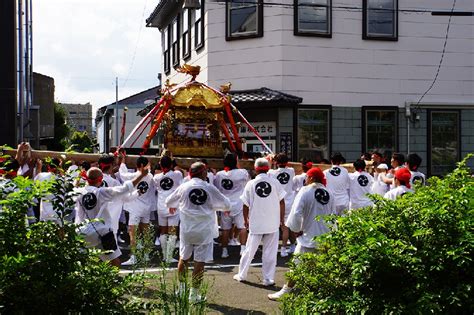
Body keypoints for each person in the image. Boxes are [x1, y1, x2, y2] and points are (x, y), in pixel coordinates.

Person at [165, 162, 231, 303]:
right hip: (204, 230)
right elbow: (227, 204)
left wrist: (176, 206)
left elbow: (168, 201)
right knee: (199, 262)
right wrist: (215, 206)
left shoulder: (183, 187)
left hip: (187, 229)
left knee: (184, 258)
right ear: (203, 173)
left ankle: (182, 290)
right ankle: (194, 295)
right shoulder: (209, 187)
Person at [268, 167, 335, 300]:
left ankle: (286, 291)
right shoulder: (329, 193)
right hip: (325, 237)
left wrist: (296, 229)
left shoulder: (305, 191)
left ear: (310, 178)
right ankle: (322, 294)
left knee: (297, 266)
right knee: (322, 268)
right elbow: (333, 215)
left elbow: (297, 213)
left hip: (309, 237)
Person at [74, 166, 148, 267]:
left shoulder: (78, 192)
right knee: (115, 261)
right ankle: (112, 282)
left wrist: (77, 179)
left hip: (81, 232)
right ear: (100, 179)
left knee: (83, 262)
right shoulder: (102, 192)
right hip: (101, 232)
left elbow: (72, 188)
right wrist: (141, 175)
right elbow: (125, 189)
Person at [233, 158, 285, 287]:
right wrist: (281, 219)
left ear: (255, 169)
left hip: (256, 222)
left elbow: (245, 204)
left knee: (249, 250)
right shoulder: (274, 182)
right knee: (270, 252)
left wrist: (246, 219)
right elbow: (282, 202)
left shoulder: (251, 184)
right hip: (272, 221)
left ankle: (242, 274)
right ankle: (268, 279)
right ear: (268, 168)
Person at [119, 155, 156, 266]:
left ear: (139, 165)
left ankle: (134, 257)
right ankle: (146, 255)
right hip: (146, 208)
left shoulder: (134, 176)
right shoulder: (150, 176)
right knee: (145, 233)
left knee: (133, 233)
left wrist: (122, 162)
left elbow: (122, 175)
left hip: (135, 208)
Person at [214, 153, 250, 258]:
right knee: (242, 227)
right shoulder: (242, 172)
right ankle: (243, 249)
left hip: (226, 205)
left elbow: (217, 188)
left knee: (225, 229)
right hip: (239, 204)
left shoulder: (219, 175)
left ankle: (224, 251)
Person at [153, 155, 183, 263]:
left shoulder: (156, 177)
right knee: (172, 232)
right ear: (171, 165)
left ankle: (165, 255)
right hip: (173, 206)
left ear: (160, 165)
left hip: (161, 206)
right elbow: (178, 170)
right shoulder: (177, 174)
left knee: (163, 231)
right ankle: (169, 256)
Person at [269, 153, 296, 257]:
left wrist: (272, 161)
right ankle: (293, 245)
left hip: (279, 202)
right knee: (290, 226)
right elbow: (287, 166)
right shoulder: (291, 171)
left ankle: (284, 248)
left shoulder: (272, 172)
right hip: (290, 200)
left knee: (284, 227)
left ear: (276, 162)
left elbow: (270, 170)